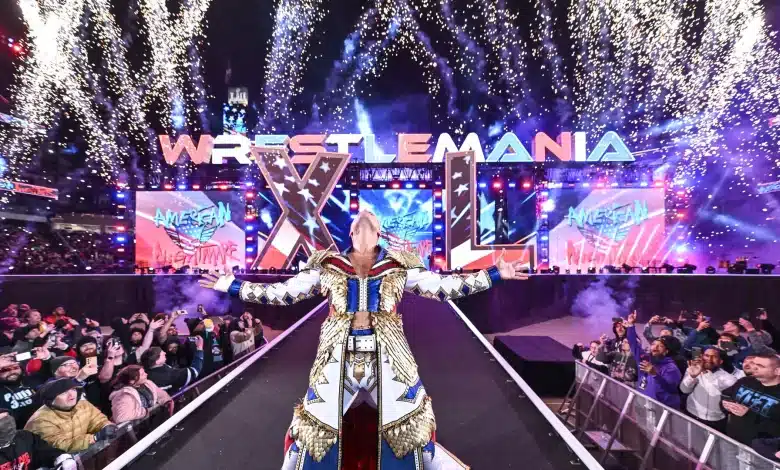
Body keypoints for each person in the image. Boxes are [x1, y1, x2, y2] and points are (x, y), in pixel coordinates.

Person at [200, 210, 527, 469]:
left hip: (388, 359)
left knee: (411, 431)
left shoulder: (399, 267)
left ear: (379, 232)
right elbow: (282, 294)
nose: (364, 222)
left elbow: (445, 288)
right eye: (359, 223)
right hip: (337, 359)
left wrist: (496, 274)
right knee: (309, 432)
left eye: (370, 222)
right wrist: (231, 285)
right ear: (352, 232)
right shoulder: (328, 266)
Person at [24, 378, 117, 452]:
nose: (71, 395)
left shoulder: (83, 405)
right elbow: (59, 445)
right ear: (51, 400)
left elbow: (98, 421)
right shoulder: (40, 420)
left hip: (83, 454)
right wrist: (95, 438)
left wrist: (106, 426)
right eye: (64, 393)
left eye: (73, 389)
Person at [626, 312, 682, 409]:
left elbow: (671, 389)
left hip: (659, 410)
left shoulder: (671, 368)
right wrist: (631, 325)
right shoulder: (645, 359)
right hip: (642, 404)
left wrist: (655, 374)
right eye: (653, 344)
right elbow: (634, 345)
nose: (654, 347)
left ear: (666, 351)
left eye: (659, 346)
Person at [721, 354, 780, 445]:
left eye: (760, 366)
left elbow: (776, 429)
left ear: (777, 371)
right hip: (731, 439)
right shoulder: (745, 381)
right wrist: (727, 405)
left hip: (759, 449)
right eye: (754, 364)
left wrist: (748, 414)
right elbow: (726, 396)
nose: (754, 367)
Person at [679, 347, 737, 433]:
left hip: (715, 420)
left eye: (714, 356)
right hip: (691, 413)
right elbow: (684, 390)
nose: (709, 359)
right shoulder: (693, 370)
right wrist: (692, 376)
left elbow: (719, 386)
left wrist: (706, 373)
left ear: (720, 361)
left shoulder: (729, 378)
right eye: (706, 355)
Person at [0, 410, 78, 470]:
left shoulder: (24, 436)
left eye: (6, 418)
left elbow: (44, 451)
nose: (6, 423)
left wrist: (62, 458)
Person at [0, 355, 40, 428]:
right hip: (18, 432)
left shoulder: (32, 380)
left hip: (45, 422)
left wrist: (47, 358)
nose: (12, 371)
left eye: (15, 367)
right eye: (4, 370)